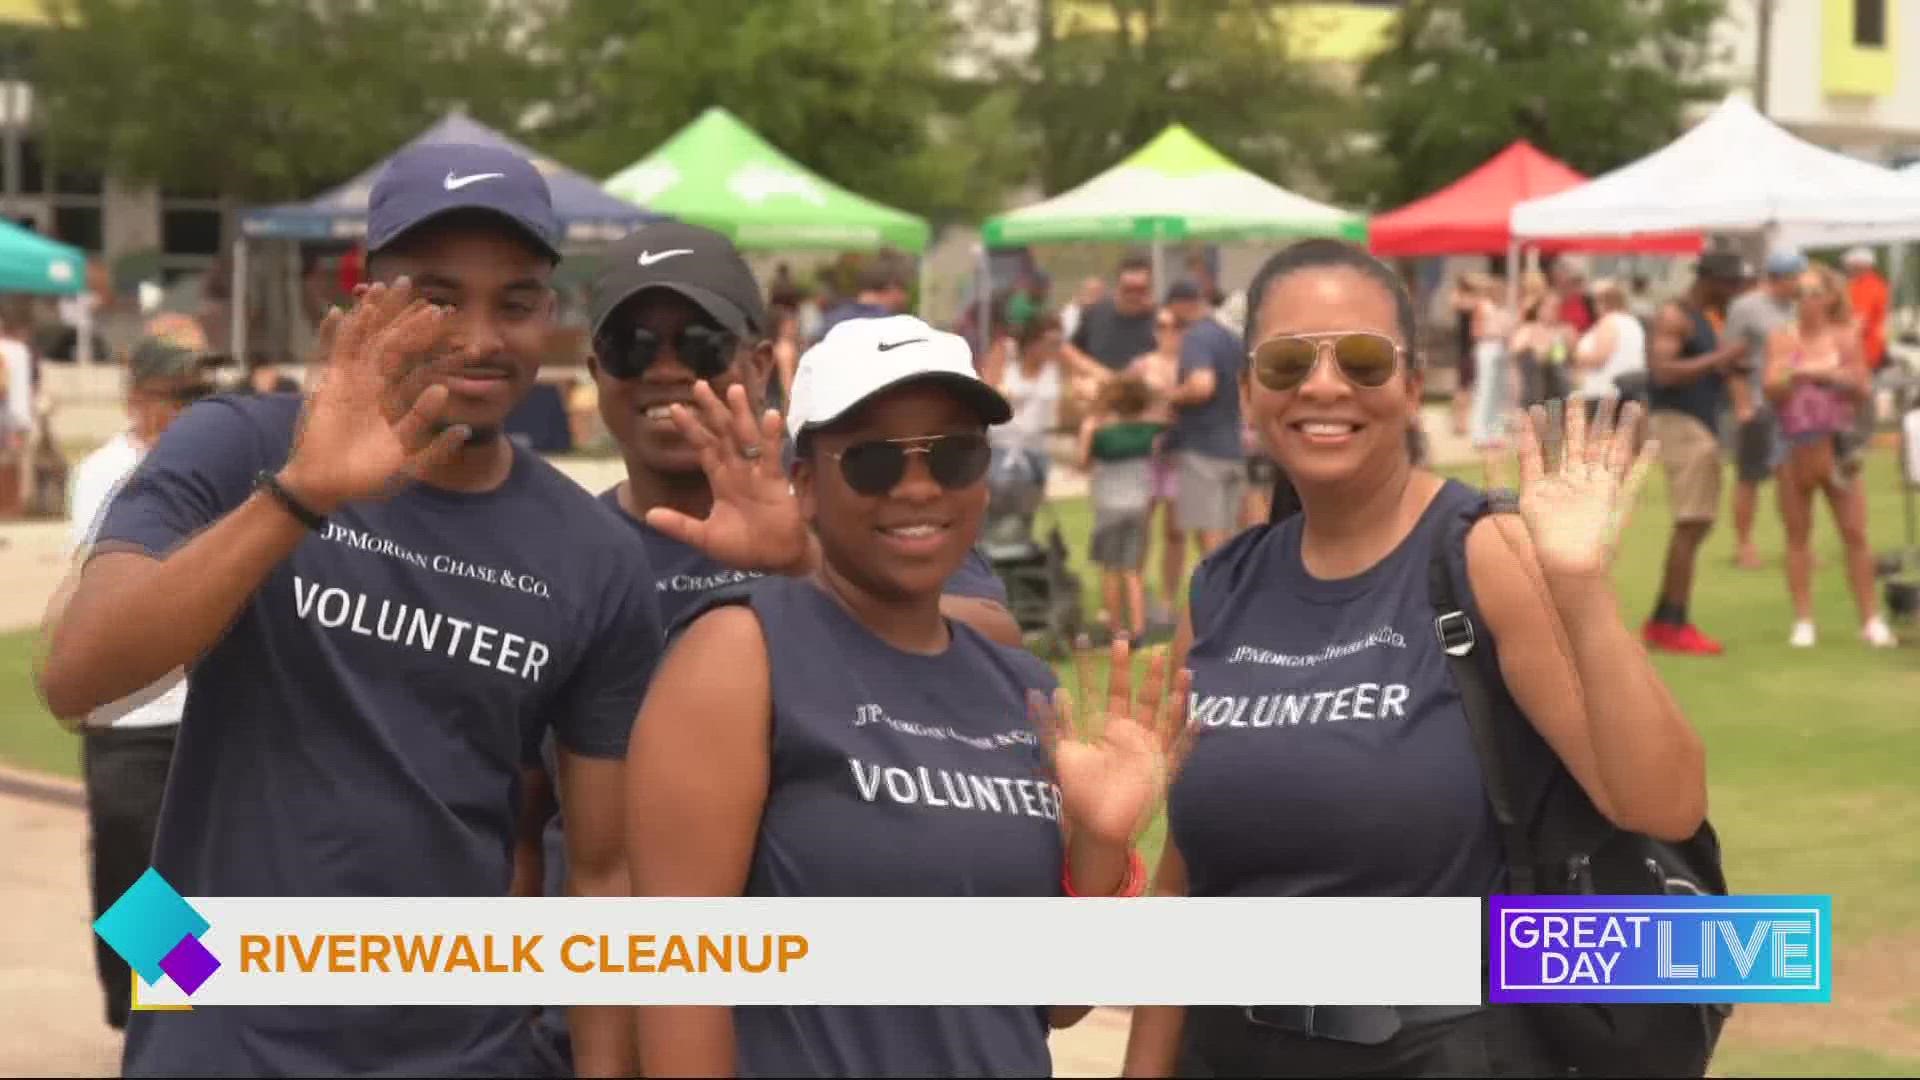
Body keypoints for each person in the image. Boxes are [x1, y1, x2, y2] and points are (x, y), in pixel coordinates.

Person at [35, 142, 665, 1078]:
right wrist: (302, 493)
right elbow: (77, 679)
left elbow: (605, 875)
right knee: (124, 876)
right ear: (364, 296)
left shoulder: (593, 556)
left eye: (518, 302)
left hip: (460, 1051)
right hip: (222, 1040)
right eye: (439, 297)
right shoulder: (237, 442)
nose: (482, 336)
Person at [1123, 239, 1708, 1078]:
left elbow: (1665, 801)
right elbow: (1185, 887)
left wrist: (1578, 590)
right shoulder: (1222, 587)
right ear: (1251, 391)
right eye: (1288, 362)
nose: (1323, 386)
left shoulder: (1484, 555)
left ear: (1410, 382)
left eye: (1362, 359)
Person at [624, 313, 1190, 1078]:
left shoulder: (1020, 689)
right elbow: (676, 980)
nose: (919, 487)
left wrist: (1100, 843)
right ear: (805, 484)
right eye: (873, 462)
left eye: (954, 456)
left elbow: (1058, 1002)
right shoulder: (740, 654)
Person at [518, 223, 1021, 1071]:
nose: (668, 368)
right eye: (634, 343)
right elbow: (529, 821)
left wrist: (805, 563)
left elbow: (984, 637)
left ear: (757, 361)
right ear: (596, 368)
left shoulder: (865, 516)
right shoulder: (560, 555)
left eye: (703, 341)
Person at [54, 334, 215, 1033]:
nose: (186, 411)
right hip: (128, 713)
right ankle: (147, 1004)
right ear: (139, 399)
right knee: (134, 862)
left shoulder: (225, 463)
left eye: (197, 395)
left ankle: (185, 1002)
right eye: (175, 397)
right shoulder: (105, 473)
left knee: (206, 862)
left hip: (210, 706)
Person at [1763, 262, 1899, 649]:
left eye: (1814, 292)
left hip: (1837, 442)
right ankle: (1804, 620)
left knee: (1854, 532)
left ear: (1830, 297)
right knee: (1797, 533)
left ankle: (1871, 619)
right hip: (1792, 443)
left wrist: (1825, 375)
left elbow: (1861, 387)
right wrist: (1798, 374)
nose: (1806, 301)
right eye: (1801, 293)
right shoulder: (1782, 338)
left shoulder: (1845, 336)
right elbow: (1771, 388)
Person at [1642, 251, 1749, 656]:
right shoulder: (1676, 316)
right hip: (1680, 424)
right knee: (1690, 525)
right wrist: (1722, 358)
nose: (1735, 293)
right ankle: (1673, 622)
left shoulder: (1703, 317)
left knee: (1698, 525)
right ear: (1712, 280)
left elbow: (1693, 366)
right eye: (1732, 284)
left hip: (1697, 423)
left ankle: (1663, 619)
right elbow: (1664, 372)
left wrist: (1726, 369)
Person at [1722, 249, 1804, 570]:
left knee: (1792, 480)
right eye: (1795, 279)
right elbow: (1731, 357)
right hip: (1757, 404)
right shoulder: (1746, 307)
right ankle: (1744, 545)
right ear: (1778, 278)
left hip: (1793, 406)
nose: (1800, 286)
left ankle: (1797, 545)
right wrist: (1742, 404)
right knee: (1750, 477)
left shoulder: (1796, 307)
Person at [1162, 280, 1248, 569]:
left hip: (1201, 450)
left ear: (1182, 304)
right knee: (1231, 536)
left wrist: (1171, 398)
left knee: (1210, 540)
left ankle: (1219, 604)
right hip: (1233, 446)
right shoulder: (1232, 337)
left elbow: (1201, 385)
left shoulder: (1199, 336)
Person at [1080, 373, 1162, 642]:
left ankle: (1116, 631)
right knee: (1132, 570)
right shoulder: (1148, 431)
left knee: (1110, 569)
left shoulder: (1100, 432)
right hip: (1139, 505)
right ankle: (1138, 630)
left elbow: (1083, 462)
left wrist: (1091, 425)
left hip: (1108, 507)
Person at [1064, 253, 1159, 387]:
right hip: (1101, 395)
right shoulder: (1096, 312)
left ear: (1150, 289)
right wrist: (1097, 372)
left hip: (1144, 398)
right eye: (1128, 289)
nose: (1133, 295)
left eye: (1140, 289)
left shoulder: (1163, 322)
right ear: (1117, 287)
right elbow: (1069, 350)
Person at [1571, 277, 1647, 418]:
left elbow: (1599, 357)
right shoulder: (1632, 322)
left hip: (1602, 393)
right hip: (1626, 393)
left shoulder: (1609, 322)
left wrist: (1575, 355)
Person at [814, 257, 909, 342]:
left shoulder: (834, 316)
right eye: (903, 289)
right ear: (891, 287)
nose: (905, 297)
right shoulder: (890, 325)